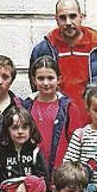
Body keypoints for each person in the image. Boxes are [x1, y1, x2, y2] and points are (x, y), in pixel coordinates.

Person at [30, 0, 97, 115]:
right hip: (57, 121)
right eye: (62, 17)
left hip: (92, 122)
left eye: (73, 16)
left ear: (81, 17)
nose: (68, 22)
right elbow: (36, 86)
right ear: (56, 19)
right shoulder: (43, 50)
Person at [26, 55, 80, 183]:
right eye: (40, 78)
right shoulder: (26, 106)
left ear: (59, 79)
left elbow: (76, 141)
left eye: (50, 78)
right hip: (32, 172)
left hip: (61, 172)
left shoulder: (68, 107)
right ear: (34, 80)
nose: (45, 83)